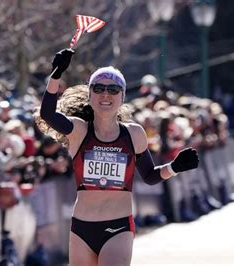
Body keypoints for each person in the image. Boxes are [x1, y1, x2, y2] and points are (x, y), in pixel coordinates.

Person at [38, 49, 199, 266]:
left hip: (118, 228)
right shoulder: (79, 130)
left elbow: (150, 176)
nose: (106, 95)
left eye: (113, 90)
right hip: (81, 229)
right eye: (99, 89)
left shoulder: (134, 134)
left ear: (122, 97)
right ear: (90, 95)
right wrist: (55, 75)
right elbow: (47, 114)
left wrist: (174, 167)